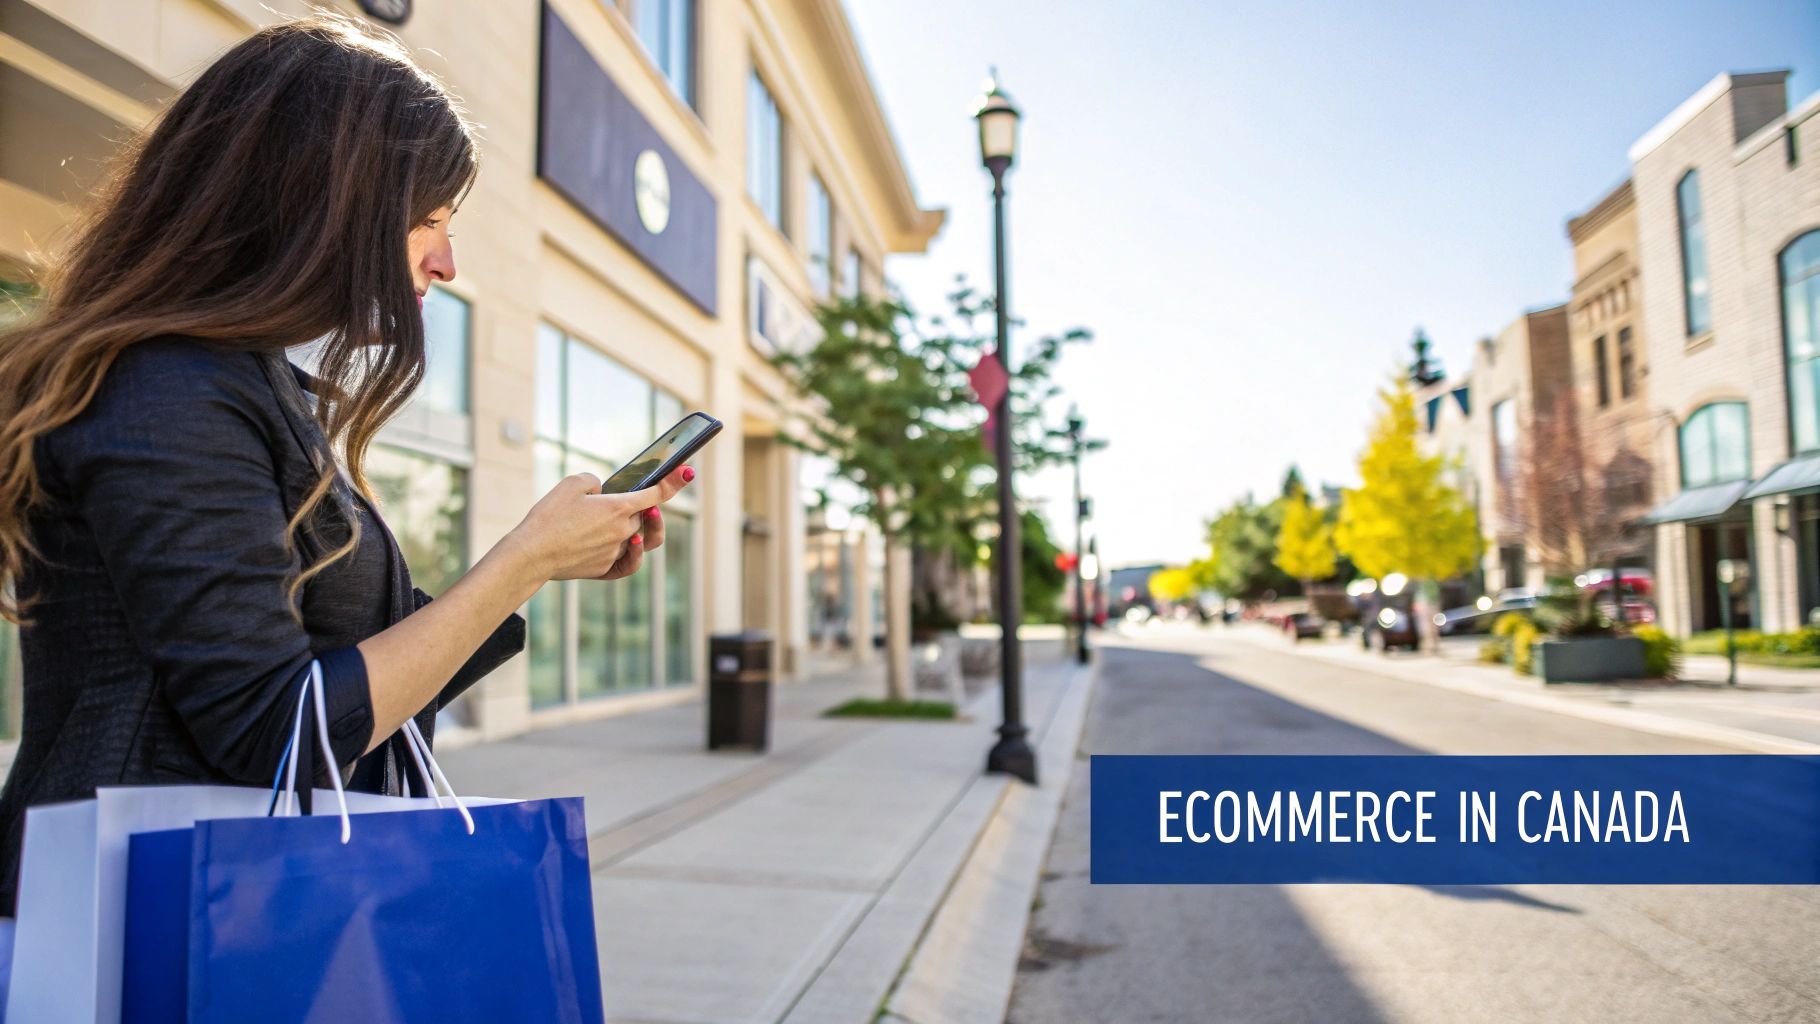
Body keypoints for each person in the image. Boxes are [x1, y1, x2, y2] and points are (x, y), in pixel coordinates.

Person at [0, 13, 694, 915]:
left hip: (211, 899)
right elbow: (273, 728)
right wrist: (521, 559)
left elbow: (334, 672)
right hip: (136, 922)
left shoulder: (239, 382)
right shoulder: (167, 388)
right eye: (427, 221)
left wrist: (548, 561)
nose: (446, 260)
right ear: (321, 200)